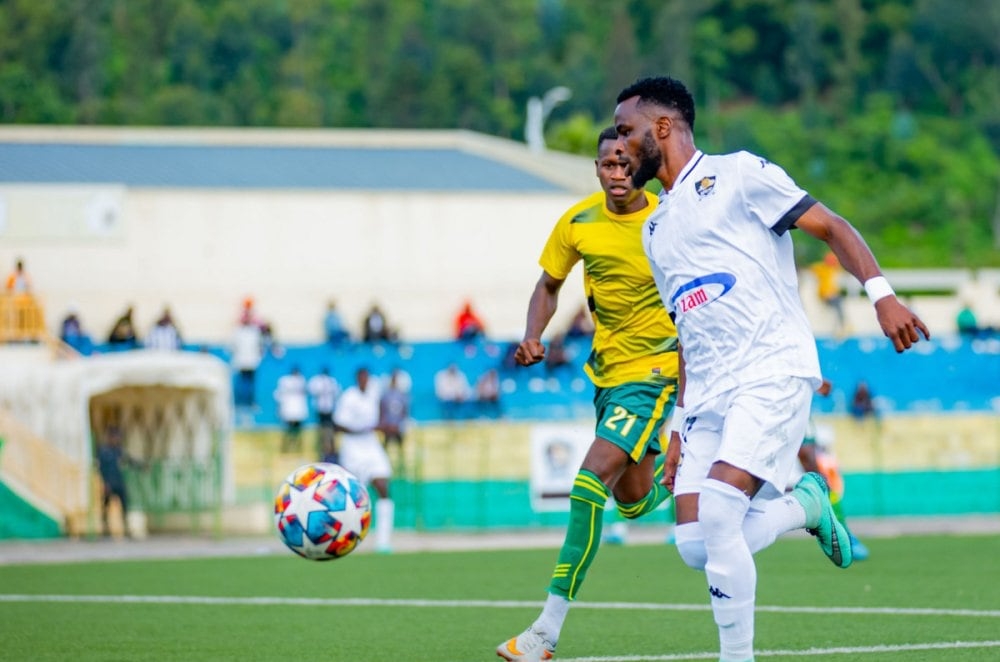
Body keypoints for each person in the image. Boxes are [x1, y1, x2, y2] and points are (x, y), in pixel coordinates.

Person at [614, 75, 929, 662]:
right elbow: (688, 327)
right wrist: (679, 424)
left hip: (770, 368)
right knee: (692, 543)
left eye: (627, 131)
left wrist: (882, 295)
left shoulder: (738, 174)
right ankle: (805, 504)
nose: (619, 144)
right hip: (708, 394)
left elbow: (832, 226)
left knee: (720, 514)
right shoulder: (654, 228)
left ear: (662, 128)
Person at [497, 127, 680, 661]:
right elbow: (548, 285)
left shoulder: (669, 218)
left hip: (656, 373)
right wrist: (534, 333)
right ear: (597, 169)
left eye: (626, 164)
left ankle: (545, 632)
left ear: (641, 166)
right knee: (634, 501)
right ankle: (747, 481)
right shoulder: (578, 223)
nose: (617, 172)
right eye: (608, 164)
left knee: (587, 482)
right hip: (607, 376)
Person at [798, 380, 869, 562]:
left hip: (791, 403)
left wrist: (811, 377)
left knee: (816, 475)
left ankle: (841, 532)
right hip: (755, 399)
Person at [334, 366, 394, 554]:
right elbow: (339, 424)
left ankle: (384, 541)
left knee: (383, 486)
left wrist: (382, 426)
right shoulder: (349, 397)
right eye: (362, 377)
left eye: (367, 377)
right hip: (353, 447)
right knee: (353, 496)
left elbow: (383, 410)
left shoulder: (374, 393)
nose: (365, 381)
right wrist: (362, 429)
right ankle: (348, 539)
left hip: (371, 444)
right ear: (357, 378)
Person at [96, 421, 136, 538]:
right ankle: (105, 529)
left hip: (118, 482)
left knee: (124, 505)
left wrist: (141, 466)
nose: (116, 439)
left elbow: (129, 460)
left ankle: (126, 528)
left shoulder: (118, 450)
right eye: (114, 437)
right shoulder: (104, 452)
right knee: (106, 506)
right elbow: (101, 469)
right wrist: (105, 483)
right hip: (109, 483)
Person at [231, 315, 265, 412]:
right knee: (241, 384)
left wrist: (259, 357)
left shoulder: (254, 331)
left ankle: (250, 402)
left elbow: (259, 345)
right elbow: (233, 346)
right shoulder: (238, 331)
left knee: (250, 384)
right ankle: (240, 403)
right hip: (241, 361)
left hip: (252, 361)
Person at [809, 251, 847, 335]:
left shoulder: (834, 270)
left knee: (839, 303)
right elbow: (810, 269)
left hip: (832, 296)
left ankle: (842, 325)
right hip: (825, 296)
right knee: (838, 305)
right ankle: (842, 325)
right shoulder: (822, 269)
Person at [378, 368, 410, 466]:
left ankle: (402, 467)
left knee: (401, 449)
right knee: (384, 449)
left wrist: (398, 425)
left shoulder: (402, 395)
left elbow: (404, 411)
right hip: (388, 427)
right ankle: (382, 465)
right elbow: (382, 410)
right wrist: (386, 425)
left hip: (397, 427)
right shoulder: (385, 395)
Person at [308, 365, 341, 460]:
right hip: (322, 410)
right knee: (324, 433)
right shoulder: (319, 381)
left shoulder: (331, 381)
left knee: (329, 433)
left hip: (329, 411)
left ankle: (329, 452)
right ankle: (326, 452)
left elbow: (336, 394)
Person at [274, 364, 308, 453]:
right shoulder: (298, 380)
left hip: (293, 410)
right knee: (290, 431)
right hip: (291, 410)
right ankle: (288, 448)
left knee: (295, 432)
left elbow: (278, 395)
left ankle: (293, 448)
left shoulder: (298, 380)